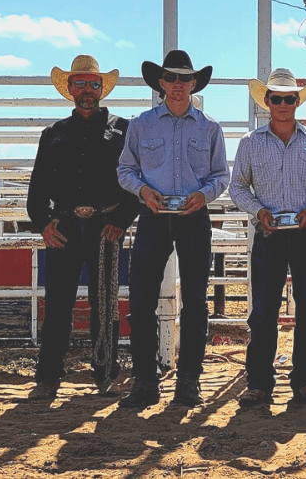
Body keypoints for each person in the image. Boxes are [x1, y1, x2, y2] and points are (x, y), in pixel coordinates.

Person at [116, 50, 229, 408]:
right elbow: (125, 170)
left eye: (184, 78)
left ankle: (188, 381)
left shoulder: (210, 128)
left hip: (194, 216)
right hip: (153, 215)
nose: (178, 85)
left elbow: (221, 175)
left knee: (195, 301)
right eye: (172, 78)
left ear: (193, 83)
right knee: (141, 299)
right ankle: (145, 380)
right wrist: (143, 191)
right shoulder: (141, 125)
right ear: (161, 83)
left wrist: (203, 195)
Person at [26, 55, 140, 401]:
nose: (87, 90)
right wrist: (44, 223)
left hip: (107, 225)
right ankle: (48, 376)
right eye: (80, 83)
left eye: (93, 84)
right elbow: (37, 188)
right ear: (70, 89)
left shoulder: (125, 130)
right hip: (64, 226)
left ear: (102, 89)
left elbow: (137, 179)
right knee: (57, 303)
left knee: (103, 302)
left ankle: (105, 371)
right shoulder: (53, 134)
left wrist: (122, 219)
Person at [227, 68, 306, 407]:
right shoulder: (249, 143)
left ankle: (305, 381)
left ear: (297, 102)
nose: (284, 104)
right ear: (267, 102)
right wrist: (259, 211)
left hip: (305, 233)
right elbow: (237, 187)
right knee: (263, 311)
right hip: (268, 232)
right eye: (277, 98)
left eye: (290, 98)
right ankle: (259, 383)